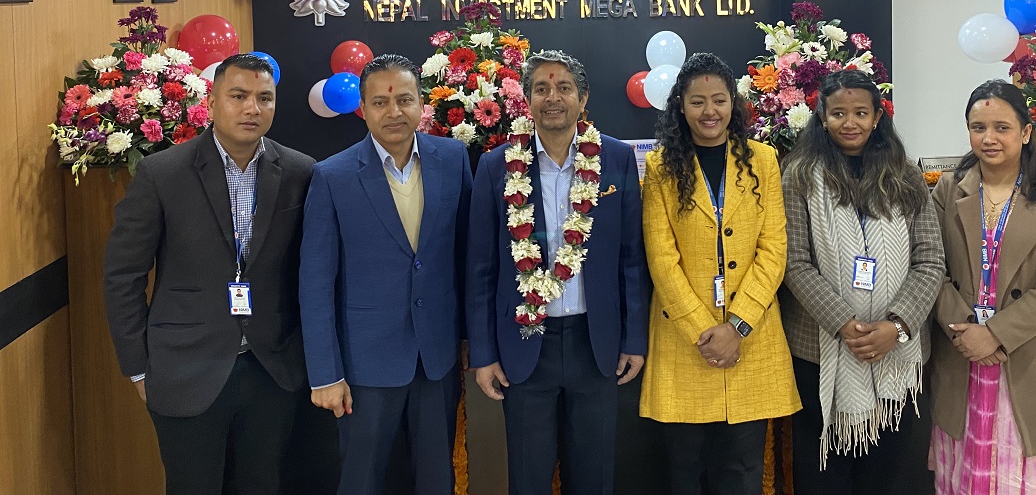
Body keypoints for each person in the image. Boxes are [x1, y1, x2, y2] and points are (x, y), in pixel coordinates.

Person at [103, 53, 315, 495]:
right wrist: (139, 369)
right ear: (213, 102)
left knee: (263, 485)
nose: (252, 108)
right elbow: (123, 275)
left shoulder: (300, 171)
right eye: (238, 96)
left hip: (271, 369)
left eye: (264, 98)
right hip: (184, 368)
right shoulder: (162, 173)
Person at [466, 49, 650, 495]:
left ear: (583, 98)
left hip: (595, 342)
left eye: (564, 88)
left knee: (593, 477)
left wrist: (633, 339)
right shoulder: (495, 166)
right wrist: (483, 354)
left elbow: (631, 257)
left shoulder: (616, 159)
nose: (553, 98)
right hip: (525, 344)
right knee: (528, 478)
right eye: (541, 89)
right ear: (526, 100)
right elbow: (481, 268)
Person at [298, 54, 473, 495]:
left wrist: (472, 338)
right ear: (363, 108)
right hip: (364, 363)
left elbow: (467, 257)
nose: (394, 111)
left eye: (405, 100)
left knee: (437, 478)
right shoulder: (332, 175)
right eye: (380, 102)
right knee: (362, 480)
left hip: (436, 357)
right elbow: (315, 284)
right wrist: (325, 373)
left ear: (421, 104)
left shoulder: (452, 159)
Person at [928, 80, 1036, 494]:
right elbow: (930, 267)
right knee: (960, 477)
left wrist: (996, 334)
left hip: (1029, 356)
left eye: (1002, 127)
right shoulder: (948, 189)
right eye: (978, 127)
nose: (989, 138)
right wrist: (968, 331)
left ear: (1025, 132)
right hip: (961, 354)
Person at [639, 53, 800, 494]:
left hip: (751, 339)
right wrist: (705, 332)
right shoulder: (661, 167)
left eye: (719, 100)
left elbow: (774, 250)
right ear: (681, 106)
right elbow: (661, 258)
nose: (709, 111)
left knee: (744, 470)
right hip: (685, 341)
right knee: (685, 470)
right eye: (697, 101)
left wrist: (737, 326)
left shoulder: (763, 160)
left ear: (734, 103)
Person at [778, 68, 943, 495]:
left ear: (877, 117)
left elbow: (930, 260)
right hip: (820, 350)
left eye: (860, 113)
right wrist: (844, 324)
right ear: (822, 117)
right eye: (838, 113)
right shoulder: (798, 175)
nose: (849, 123)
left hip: (898, 353)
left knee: (886, 475)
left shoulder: (905, 174)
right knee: (823, 478)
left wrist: (897, 326)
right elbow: (794, 262)